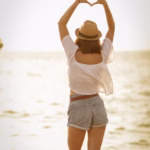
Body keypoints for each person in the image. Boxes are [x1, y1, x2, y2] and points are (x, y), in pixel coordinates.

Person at [58, 0, 115, 149]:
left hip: (78, 105)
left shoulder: (72, 52)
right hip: (97, 105)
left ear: (80, 36)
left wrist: (77, 2)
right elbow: (112, 27)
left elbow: (61, 24)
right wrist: (105, 4)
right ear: (97, 38)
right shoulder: (103, 54)